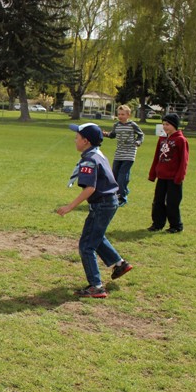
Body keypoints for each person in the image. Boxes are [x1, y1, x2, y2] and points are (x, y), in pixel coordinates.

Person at [56, 123, 132, 298]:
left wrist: (69, 207)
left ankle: (96, 286)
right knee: (96, 236)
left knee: (86, 245)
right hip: (109, 202)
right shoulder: (96, 153)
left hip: (102, 204)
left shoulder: (89, 159)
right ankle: (119, 263)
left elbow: (90, 188)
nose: (75, 139)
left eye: (77, 137)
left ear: (86, 141)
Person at [148, 113, 189, 233]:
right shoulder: (162, 139)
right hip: (162, 176)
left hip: (174, 177)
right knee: (158, 201)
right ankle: (157, 224)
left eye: (168, 124)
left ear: (174, 125)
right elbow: (157, 157)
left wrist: (179, 177)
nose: (165, 127)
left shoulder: (181, 140)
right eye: (164, 124)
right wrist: (153, 174)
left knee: (172, 202)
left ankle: (176, 225)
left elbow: (184, 161)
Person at [102, 105, 144, 206]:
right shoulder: (116, 125)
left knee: (122, 176)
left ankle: (122, 198)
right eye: (119, 114)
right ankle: (124, 190)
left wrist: (138, 142)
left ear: (128, 115)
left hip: (129, 154)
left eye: (123, 114)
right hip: (119, 153)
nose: (120, 116)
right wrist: (105, 134)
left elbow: (141, 135)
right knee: (115, 176)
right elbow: (113, 135)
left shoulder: (132, 125)